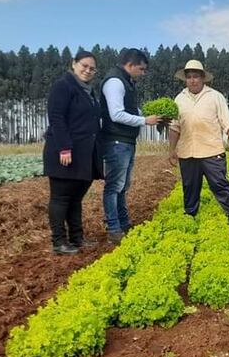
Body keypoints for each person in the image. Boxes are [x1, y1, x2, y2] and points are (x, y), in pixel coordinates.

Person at [168, 60, 229, 227]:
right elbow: (175, 127)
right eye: (189, 77)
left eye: (196, 76)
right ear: (185, 80)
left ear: (203, 78)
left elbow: (228, 123)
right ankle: (190, 215)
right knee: (189, 186)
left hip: (212, 151)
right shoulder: (179, 99)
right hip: (187, 152)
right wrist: (172, 149)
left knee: (219, 184)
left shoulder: (215, 96)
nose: (192, 80)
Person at [42, 50, 103, 254]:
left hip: (83, 154)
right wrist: (64, 148)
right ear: (74, 64)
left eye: (92, 68)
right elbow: (57, 118)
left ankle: (77, 238)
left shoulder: (88, 90)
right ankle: (59, 242)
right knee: (61, 197)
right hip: (65, 152)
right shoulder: (64, 85)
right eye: (84, 65)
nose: (88, 70)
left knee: (75, 198)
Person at [100, 48, 160, 243]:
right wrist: (144, 120)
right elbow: (116, 114)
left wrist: (150, 114)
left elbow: (130, 109)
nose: (143, 73)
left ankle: (123, 223)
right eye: (141, 69)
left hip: (125, 141)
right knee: (114, 186)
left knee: (122, 185)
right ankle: (114, 228)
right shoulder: (115, 82)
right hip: (116, 142)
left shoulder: (127, 82)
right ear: (130, 65)